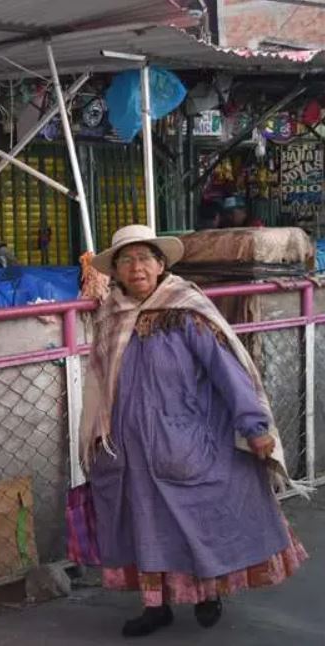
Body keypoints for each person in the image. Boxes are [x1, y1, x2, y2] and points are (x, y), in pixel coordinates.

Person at [81, 225, 307, 638]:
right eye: (127, 260)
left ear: (161, 264)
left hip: (183, 443)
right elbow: (99, 385)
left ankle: (208, 594)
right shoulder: (110, 316)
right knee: (143, 528)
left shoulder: (185, 311)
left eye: (145, 258)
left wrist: (254, 426)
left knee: (195, 523)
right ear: (115, 270)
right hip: (127, 450)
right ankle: (155, 607)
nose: (137, 267)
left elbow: (228, 371)